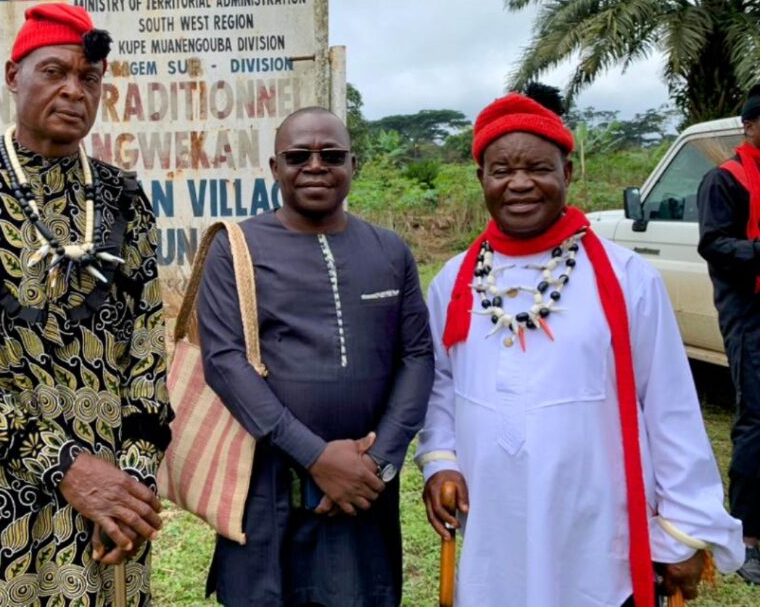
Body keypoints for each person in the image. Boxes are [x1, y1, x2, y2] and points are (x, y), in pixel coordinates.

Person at [417, 93, 744, 606]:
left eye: (538, 168)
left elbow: (670, 407)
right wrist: (440, 461)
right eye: (502, 169)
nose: (519, 182)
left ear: (567, 173)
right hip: (492, 519)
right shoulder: (454, 281)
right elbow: (440, 385)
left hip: (595, 529)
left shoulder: (627, 277)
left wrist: (685, 529)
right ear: (481, 179)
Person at [0, 3, 172, 606]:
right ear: (12, 75)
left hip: (112, 503)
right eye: (54, 71)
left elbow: (148, 350)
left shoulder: (122, 198)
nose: (73, 91)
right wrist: (67, 468)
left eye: (89, 78)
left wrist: (130, 482)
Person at [195, 107, 435, 606]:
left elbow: (416, 357)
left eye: (332, 155)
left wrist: (381, 465)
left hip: (362, 496)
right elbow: (224, 362)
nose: (315, 165)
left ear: (354, 163)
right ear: (274, 167)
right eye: (298, 155)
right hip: (267, 488)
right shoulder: (236, 247)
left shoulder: (390, 251)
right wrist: (315, 456)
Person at [697, 86, 760, 585]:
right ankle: (748, 535)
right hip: (750, 310)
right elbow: (714, 245)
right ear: (750, 126)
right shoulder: (726, 179)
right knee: (757, 418)